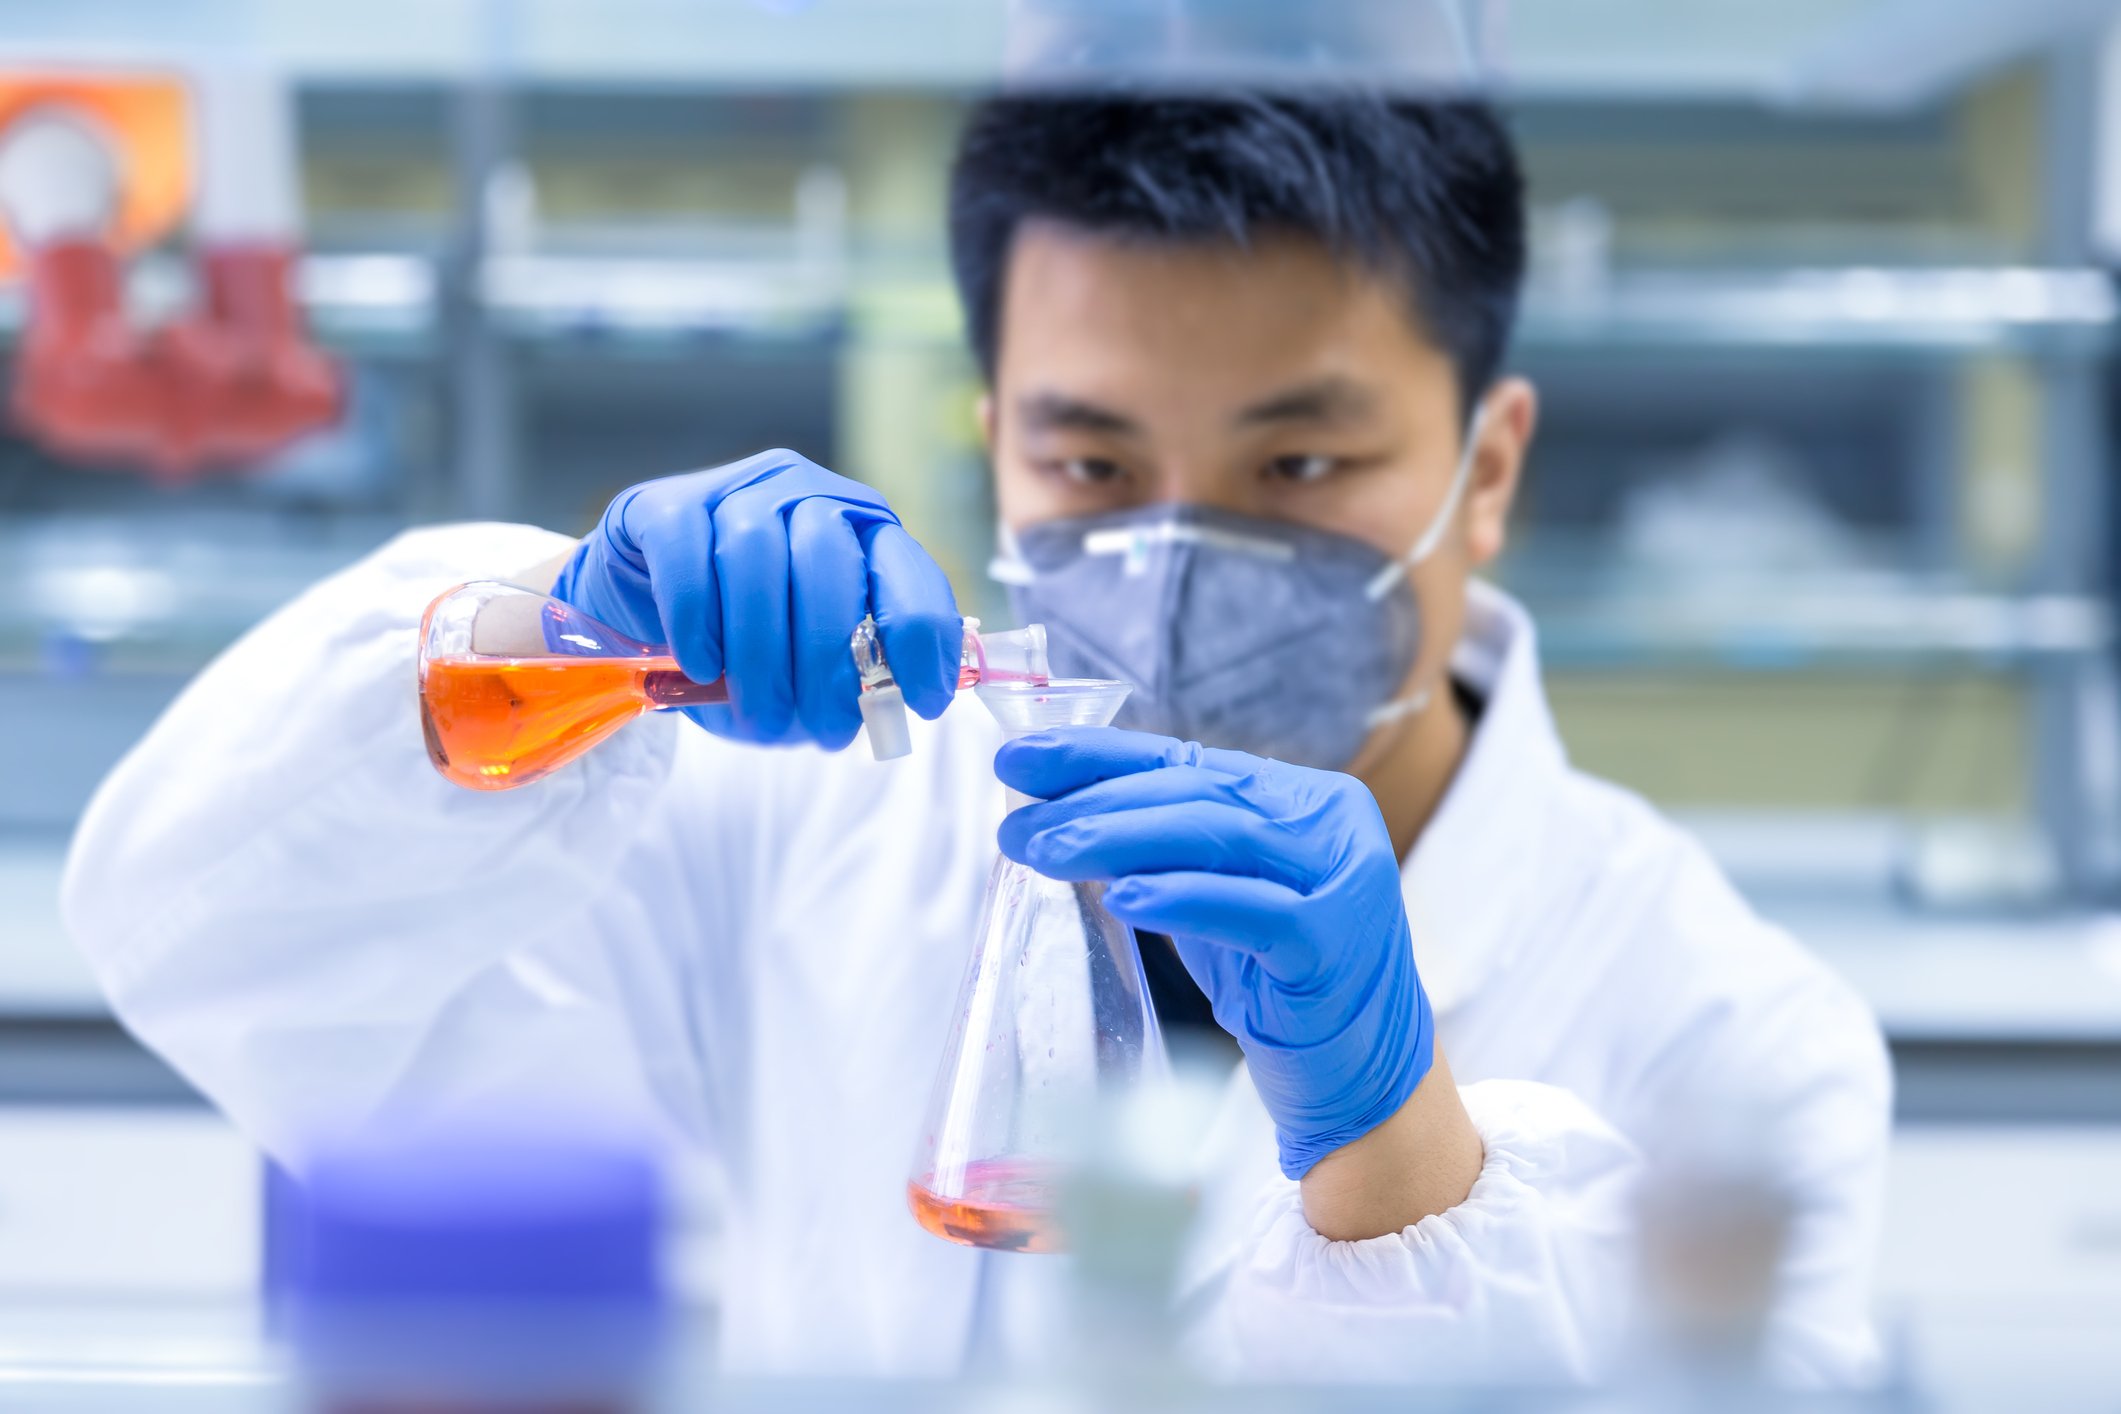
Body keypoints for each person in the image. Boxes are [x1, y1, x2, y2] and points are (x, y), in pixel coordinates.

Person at [63, 93, 1889, 1384]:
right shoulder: (803, 820)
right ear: (992, 429)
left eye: (1302, 463)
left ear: (1485, 469)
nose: (1170, 548)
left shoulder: (1727, 1024)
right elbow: (203, 932)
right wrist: (545, 646)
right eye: (1089, 461)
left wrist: (1404, 1153)